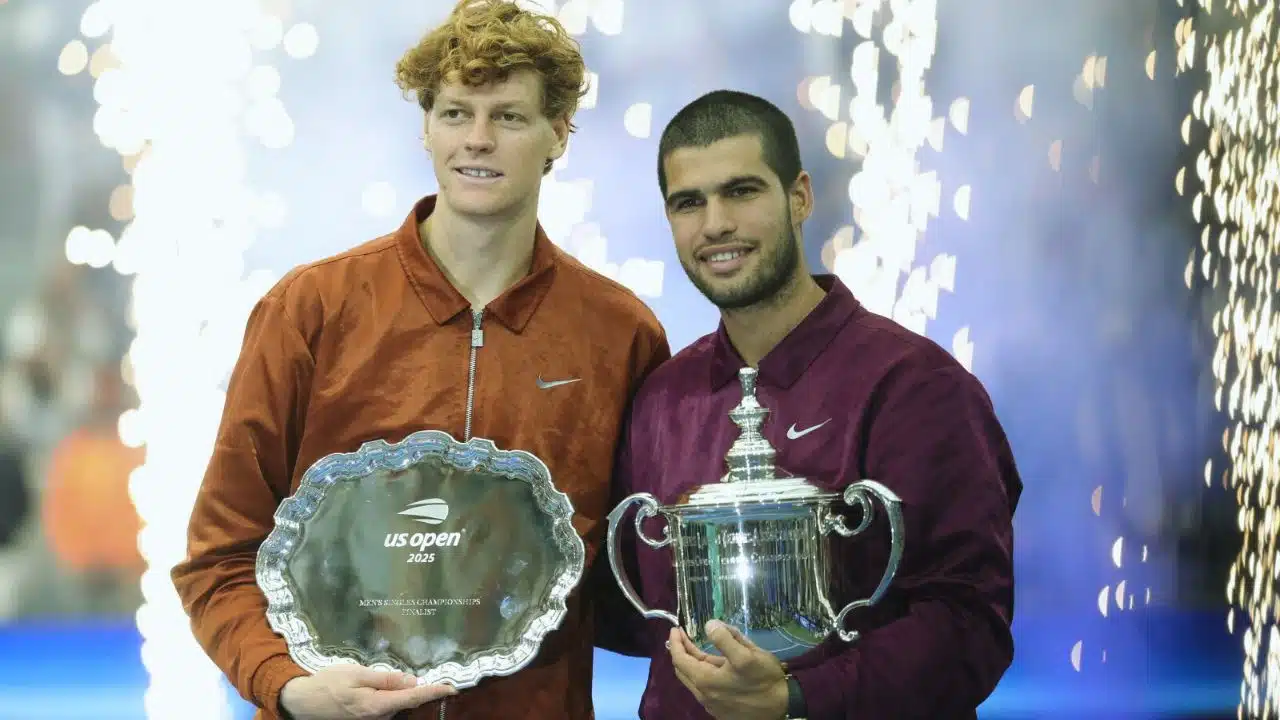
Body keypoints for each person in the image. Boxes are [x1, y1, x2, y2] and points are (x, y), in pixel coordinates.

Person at [171, 2, 670, 719]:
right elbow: (220, 557)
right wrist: (289, 686)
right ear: (425, 126)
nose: (477, 140)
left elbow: (632, 574)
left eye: (509, 116)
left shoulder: (618, 333)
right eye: (455, 112)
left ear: (559, 132)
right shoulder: (311, 309)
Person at [595, 90, 1022, 718]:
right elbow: (640, 612)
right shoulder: (663, 396)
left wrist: (794, 699)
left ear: (800, 197)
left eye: (741, 191)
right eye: (690, 202)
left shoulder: (915, 384)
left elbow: (969, 623)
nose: (715, 224)